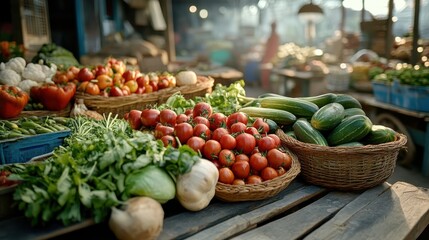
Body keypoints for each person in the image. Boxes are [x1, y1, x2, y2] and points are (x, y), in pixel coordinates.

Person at [260, 22, 280, 90]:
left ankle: (269, 86)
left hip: (272, 57)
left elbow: (275, 47)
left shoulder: (275, 36)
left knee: (269, 72)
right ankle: (266, 86)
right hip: (268, 56)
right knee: (265, 72)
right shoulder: (271, 36)